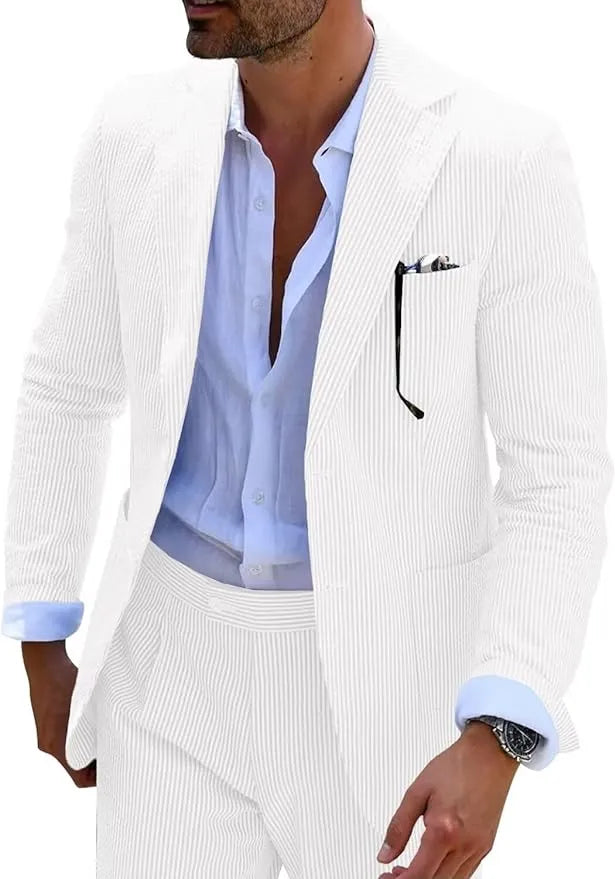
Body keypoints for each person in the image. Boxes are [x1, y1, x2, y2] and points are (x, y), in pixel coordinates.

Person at [3, 2, 612, 877]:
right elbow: (67, 382)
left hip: (388, 685)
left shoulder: (500, 158)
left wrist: (500, 729)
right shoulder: (132, 132)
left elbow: (554, 475)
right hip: (165, 667)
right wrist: (40, 633)